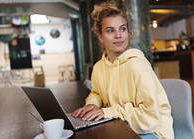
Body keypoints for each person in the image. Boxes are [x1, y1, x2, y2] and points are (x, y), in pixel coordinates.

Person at [71, 1, 174, 139]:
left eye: (122, 29)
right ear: (100, 37)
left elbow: (149, 118)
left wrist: (109, 112)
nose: (118, 35)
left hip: (153, 131)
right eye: (110, 30)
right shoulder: (99, 67)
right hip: (122, 125)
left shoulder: (137, 66)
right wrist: (92, 104)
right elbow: (97, 93)